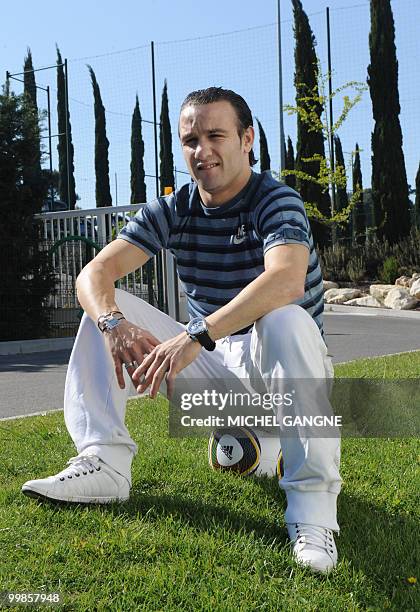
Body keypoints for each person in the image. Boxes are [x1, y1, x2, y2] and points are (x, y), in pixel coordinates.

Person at [22, 87, 341, 574]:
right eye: (190, 139)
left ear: (247, 139)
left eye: (216, 135)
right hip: (218, 375)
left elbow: (285, 279)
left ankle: (313, 511)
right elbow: (94, 274)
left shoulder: (276, 199)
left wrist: (197, 335)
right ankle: (104, 462)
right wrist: (114, 323)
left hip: (285, 373)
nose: (202, 150)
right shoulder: (174, 208)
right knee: (103, 308)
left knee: (284, 316)